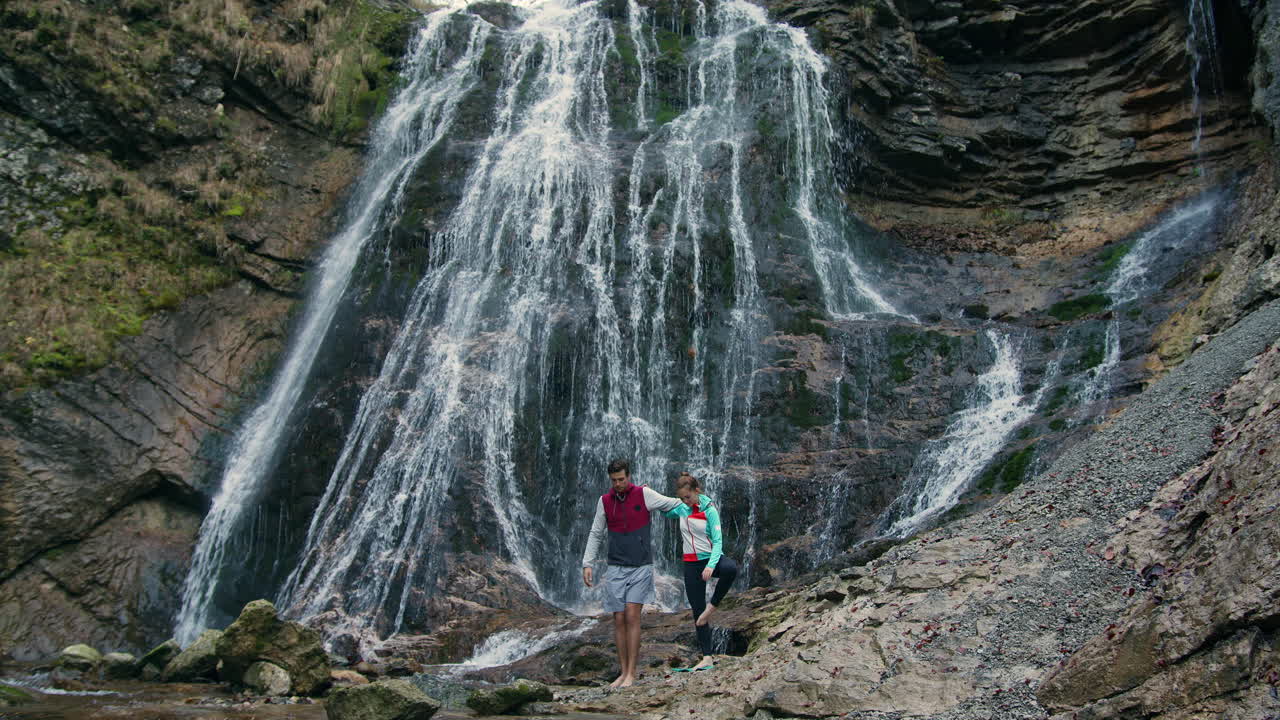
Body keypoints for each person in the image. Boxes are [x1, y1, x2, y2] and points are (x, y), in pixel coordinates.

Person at [582, 458, 682, 688]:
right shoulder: (604, 501)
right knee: (618, 618)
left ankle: (632, 674)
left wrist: (699, 502)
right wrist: (587, 563)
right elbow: (596, 533)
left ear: (629, 476)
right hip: (616, 566)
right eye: (614, 480)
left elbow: (673, 503)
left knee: (632, 615)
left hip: (641, 566)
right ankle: (623, 671)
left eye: (622, 479)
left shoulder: (644, 494)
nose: (618, 484)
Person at [665, 471, 738, 671]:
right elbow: (665, 510)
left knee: (731, 568)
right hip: (691, 564)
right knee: (697, 611)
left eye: (688, 497)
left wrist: (711, 565)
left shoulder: (709, 510)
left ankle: (712, 606)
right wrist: (646, 494)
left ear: (697, 491)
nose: (685, 501)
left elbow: (718, 542)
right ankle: (707, 657)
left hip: (710, 559)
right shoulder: (681, 508)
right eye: (682, 498)